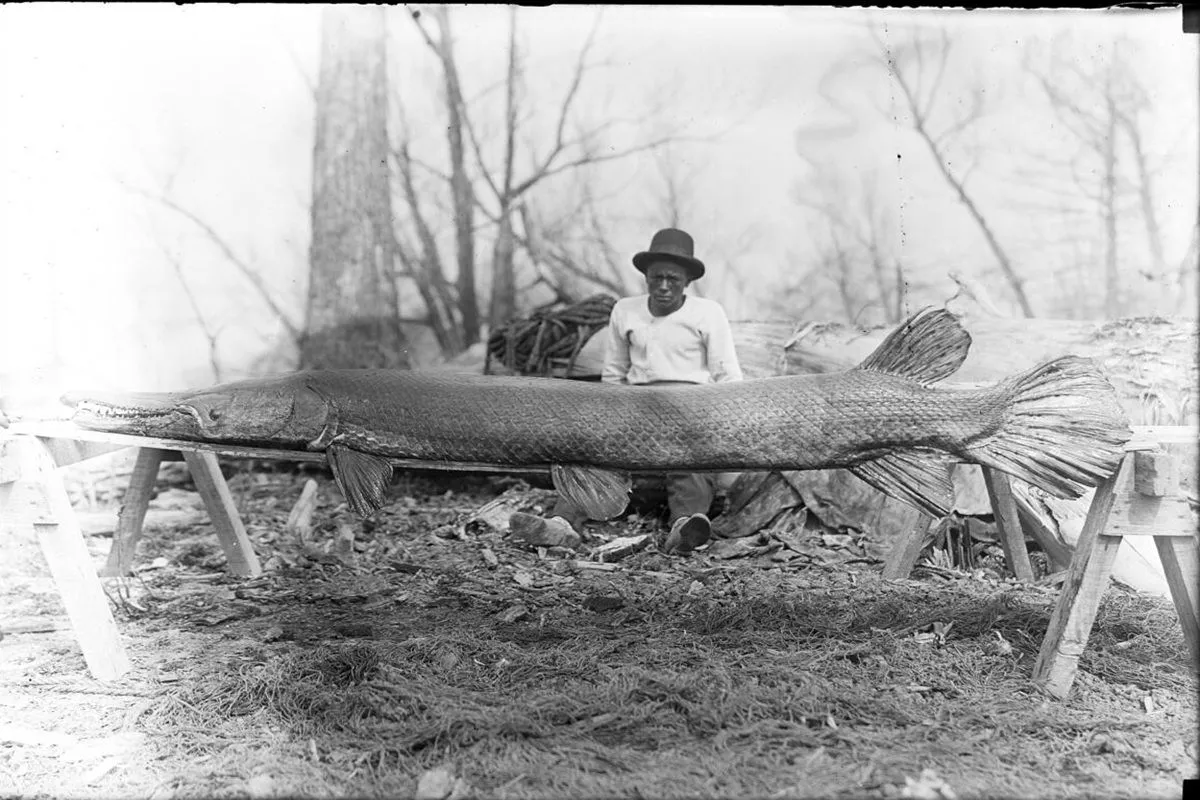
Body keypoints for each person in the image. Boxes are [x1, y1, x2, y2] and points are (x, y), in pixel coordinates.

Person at [513, 227, 743, 555]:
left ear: (687, 281)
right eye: (656, 278)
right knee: (593, 456)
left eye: (673, 279)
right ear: (646, 277)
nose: (663, 286)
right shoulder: (625, 310)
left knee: (691, 463)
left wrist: (713, 423)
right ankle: (561, 526)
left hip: (690, 406)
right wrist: (612, 418)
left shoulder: (708, 313)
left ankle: (684, 529)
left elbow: (728, 375)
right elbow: (614, 373)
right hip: (636, 407)